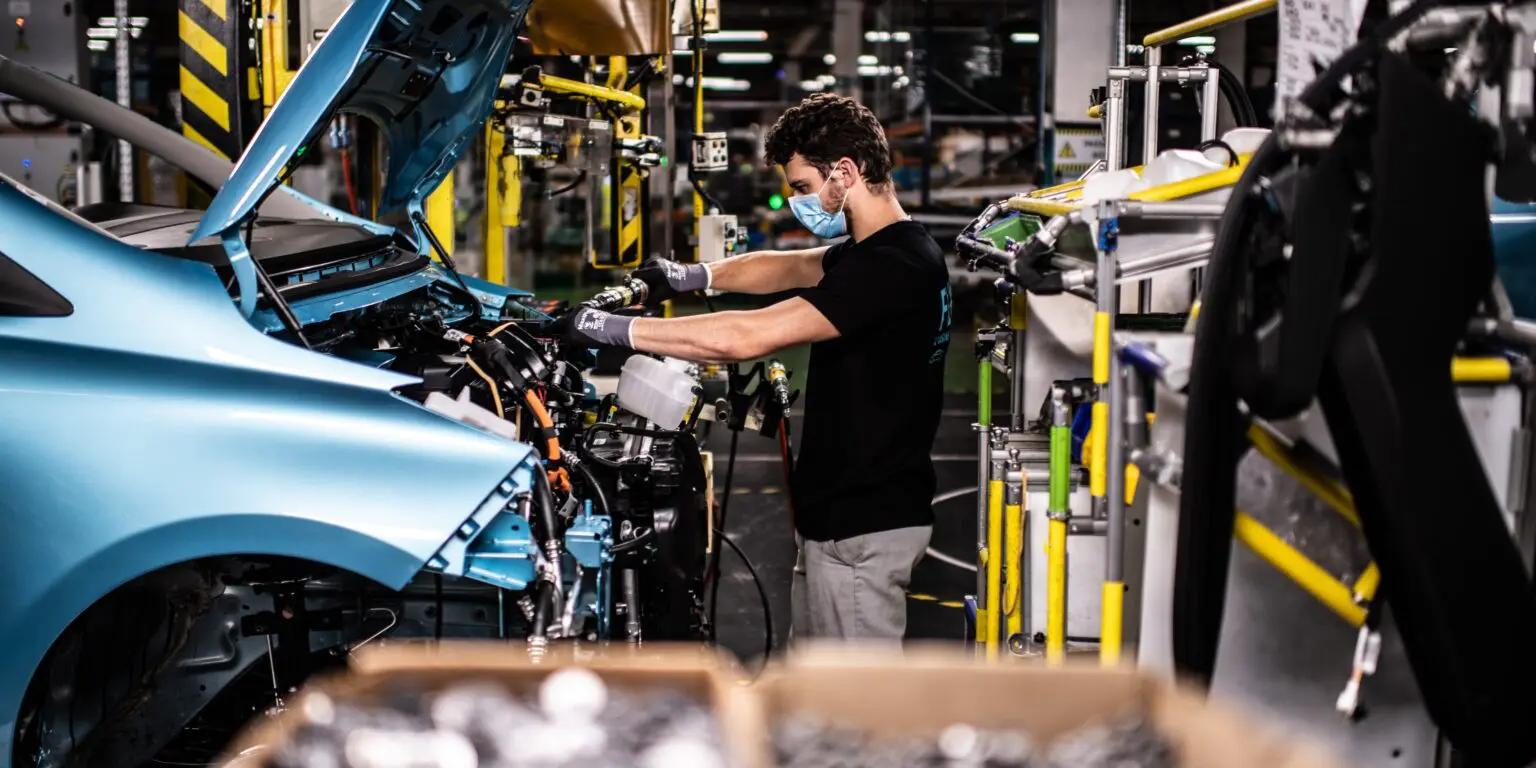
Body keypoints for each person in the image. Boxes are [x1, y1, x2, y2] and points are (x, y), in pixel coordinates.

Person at [550, 93, 953, 643]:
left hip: (863, 529)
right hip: (842, 524)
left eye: (804, 188)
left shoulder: (892, 267)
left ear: (845, 173)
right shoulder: (886, 248)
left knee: (857, 706)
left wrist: (611, 330)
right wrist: (692, 276)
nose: (799, 204)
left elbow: (746, 336)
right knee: (813, 693)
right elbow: (788, 266)